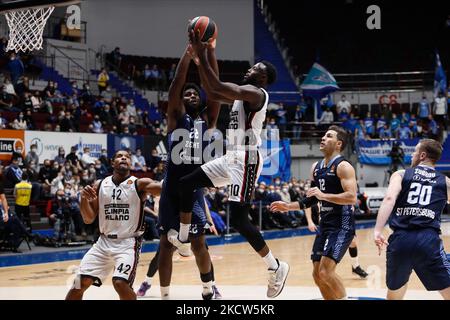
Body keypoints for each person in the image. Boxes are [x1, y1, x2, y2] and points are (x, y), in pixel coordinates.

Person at [177, 29, 289, 299]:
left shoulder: (256, 93)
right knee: (186, 183)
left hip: (248, 158)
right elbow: (212, 89)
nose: (250, 69)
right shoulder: (243, 94)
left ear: (263, 78)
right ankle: (182, 238)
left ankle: (275, 267)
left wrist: (202, 52)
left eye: (255, 68)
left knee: (238, 219)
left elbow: (214, 87)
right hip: (232, 156)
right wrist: (206, 54)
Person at [156, 40, 221, 300]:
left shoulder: (209, 121)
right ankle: (165, 295)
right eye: (187, 94)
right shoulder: (175, 117)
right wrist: (187, 54)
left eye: (195, 94)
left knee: (199, 244)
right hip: (171, 187)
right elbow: (175, 86)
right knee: (164, 246)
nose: (190, 95)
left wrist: (210, 54)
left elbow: (215, 89)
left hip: (193, 190)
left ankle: (208, 289)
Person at [270, 126, 357, 299]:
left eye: (329, 136)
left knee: (326, 272)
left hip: (342, 224)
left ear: (338, 144)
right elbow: (310, 199)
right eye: (324, 135)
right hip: (325, 224)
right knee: (317, 275)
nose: (323, 138)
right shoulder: (316, 168)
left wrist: (323, 195)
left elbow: (352, 197)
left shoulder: (344, 166)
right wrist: (288, 206)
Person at [65, 150, 162, 300]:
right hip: (103, 242)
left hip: (128, 243)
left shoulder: (139, 184)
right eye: (119, 156)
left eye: (128, 157)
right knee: (78, 283)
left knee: (120, 283)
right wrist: (83, 199)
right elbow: (88, 219)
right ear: (112, 163)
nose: (124, 158)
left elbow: (161, 189)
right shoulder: (100, 184)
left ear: (131, 163)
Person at [374, 139, 450, 300]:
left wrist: (377, 230)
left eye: (414, 152)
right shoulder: (445, 181)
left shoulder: (401, 174)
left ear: (422, 155)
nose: (411, 155)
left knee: (396, 291)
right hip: (428, 241)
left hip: (400, 239)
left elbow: (389, 199)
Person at [137, 198, 222, 299]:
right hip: (174, 221)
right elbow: (159, 202)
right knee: (160, 254)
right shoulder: (167, 183)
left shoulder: (195, 185)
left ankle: (212, 285)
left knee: (202, 251)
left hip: (192, 220)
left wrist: (210, 221)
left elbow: (202, 201)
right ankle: (147, 282)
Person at [304, 205, 368, 279]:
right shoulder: (318, 195)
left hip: (341, 221)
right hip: (326, 225)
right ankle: (326, 272)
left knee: (352, 242)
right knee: (323, 258)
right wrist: (310, 221)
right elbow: (307, 204)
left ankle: (355, 266)